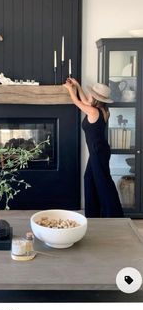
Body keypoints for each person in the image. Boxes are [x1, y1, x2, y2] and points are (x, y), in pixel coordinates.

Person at [64, 78, 123, 218]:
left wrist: (70, 90)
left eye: (91, 94)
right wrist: (77, 86)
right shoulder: (101, 110)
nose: (89, 95)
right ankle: (93, 214)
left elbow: (78, 102)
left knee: (103, 182)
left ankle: (114, 215)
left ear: (95, 98)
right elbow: (85, 101)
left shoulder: (93, 111)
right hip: (99, 150)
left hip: (98, 151)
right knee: (89, 178)